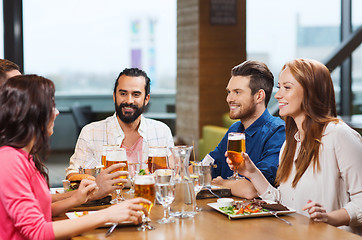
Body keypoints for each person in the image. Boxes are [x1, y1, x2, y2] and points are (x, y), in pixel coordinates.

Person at [0, 74, 151, 239]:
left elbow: (39, 210)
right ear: (32, 111)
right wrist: (107, 215)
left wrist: (77, 199)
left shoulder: (24, 158)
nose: (56, 112)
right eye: (51, 105)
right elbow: (37, 231)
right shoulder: (9, 160)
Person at [228, 58, 362, 235]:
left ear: (310, 91)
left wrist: (328, 218)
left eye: (287, 87)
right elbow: (285, 202)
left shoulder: (339, 135)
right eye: (279, 87)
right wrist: (252, 173)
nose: (277, 95)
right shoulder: (291, 143)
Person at [66, 68, 174, 195]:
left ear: (146, 99)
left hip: (150, 205)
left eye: (136, 94)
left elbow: (171, 174)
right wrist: (98, 182)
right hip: (106, 207)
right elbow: (72, 175)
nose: (129, 100)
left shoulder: (162, 131)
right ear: (114, 96)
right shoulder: (90, 132)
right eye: (123, 94)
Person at [202, 60, 285, 199]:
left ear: (259, 96)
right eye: (229, 92)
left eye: (237, 92)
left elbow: (252, 190)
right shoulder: (235, 129)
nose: (229, 98)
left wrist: (222, 182)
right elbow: (206, 169)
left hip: (258, 218)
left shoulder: (278, 132)